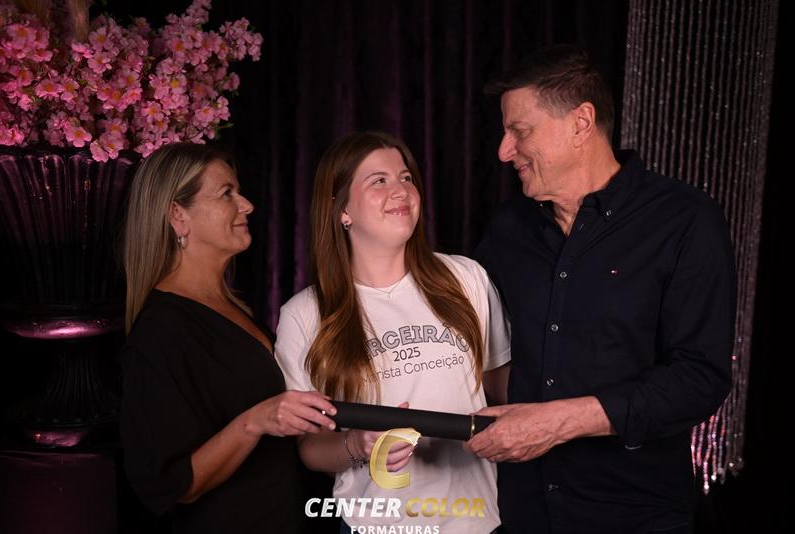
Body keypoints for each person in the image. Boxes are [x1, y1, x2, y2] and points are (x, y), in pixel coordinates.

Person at [467, 44, 737, 534]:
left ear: (581, 123)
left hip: (635, 517)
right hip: (518, 515)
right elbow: (472, 346)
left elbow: (699, 377)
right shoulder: (508, 229)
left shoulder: (685, 221)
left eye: (519, 131)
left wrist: (557, 423)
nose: (504, 151)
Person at [274, 131, 511, 533]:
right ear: (342, 210)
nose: (401, 190)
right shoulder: (304, 314)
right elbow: (309, 448)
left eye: (406, 177)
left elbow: (504, 389)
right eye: (379, 181)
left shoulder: (465, 277)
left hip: (474, 520)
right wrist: (358, 445)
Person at [119, 142, 337, 533]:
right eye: (226, 194)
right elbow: (176, 484)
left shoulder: (234, 309)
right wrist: (255, 421)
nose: (247, 205)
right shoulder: (161, 331)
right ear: (178, 215)